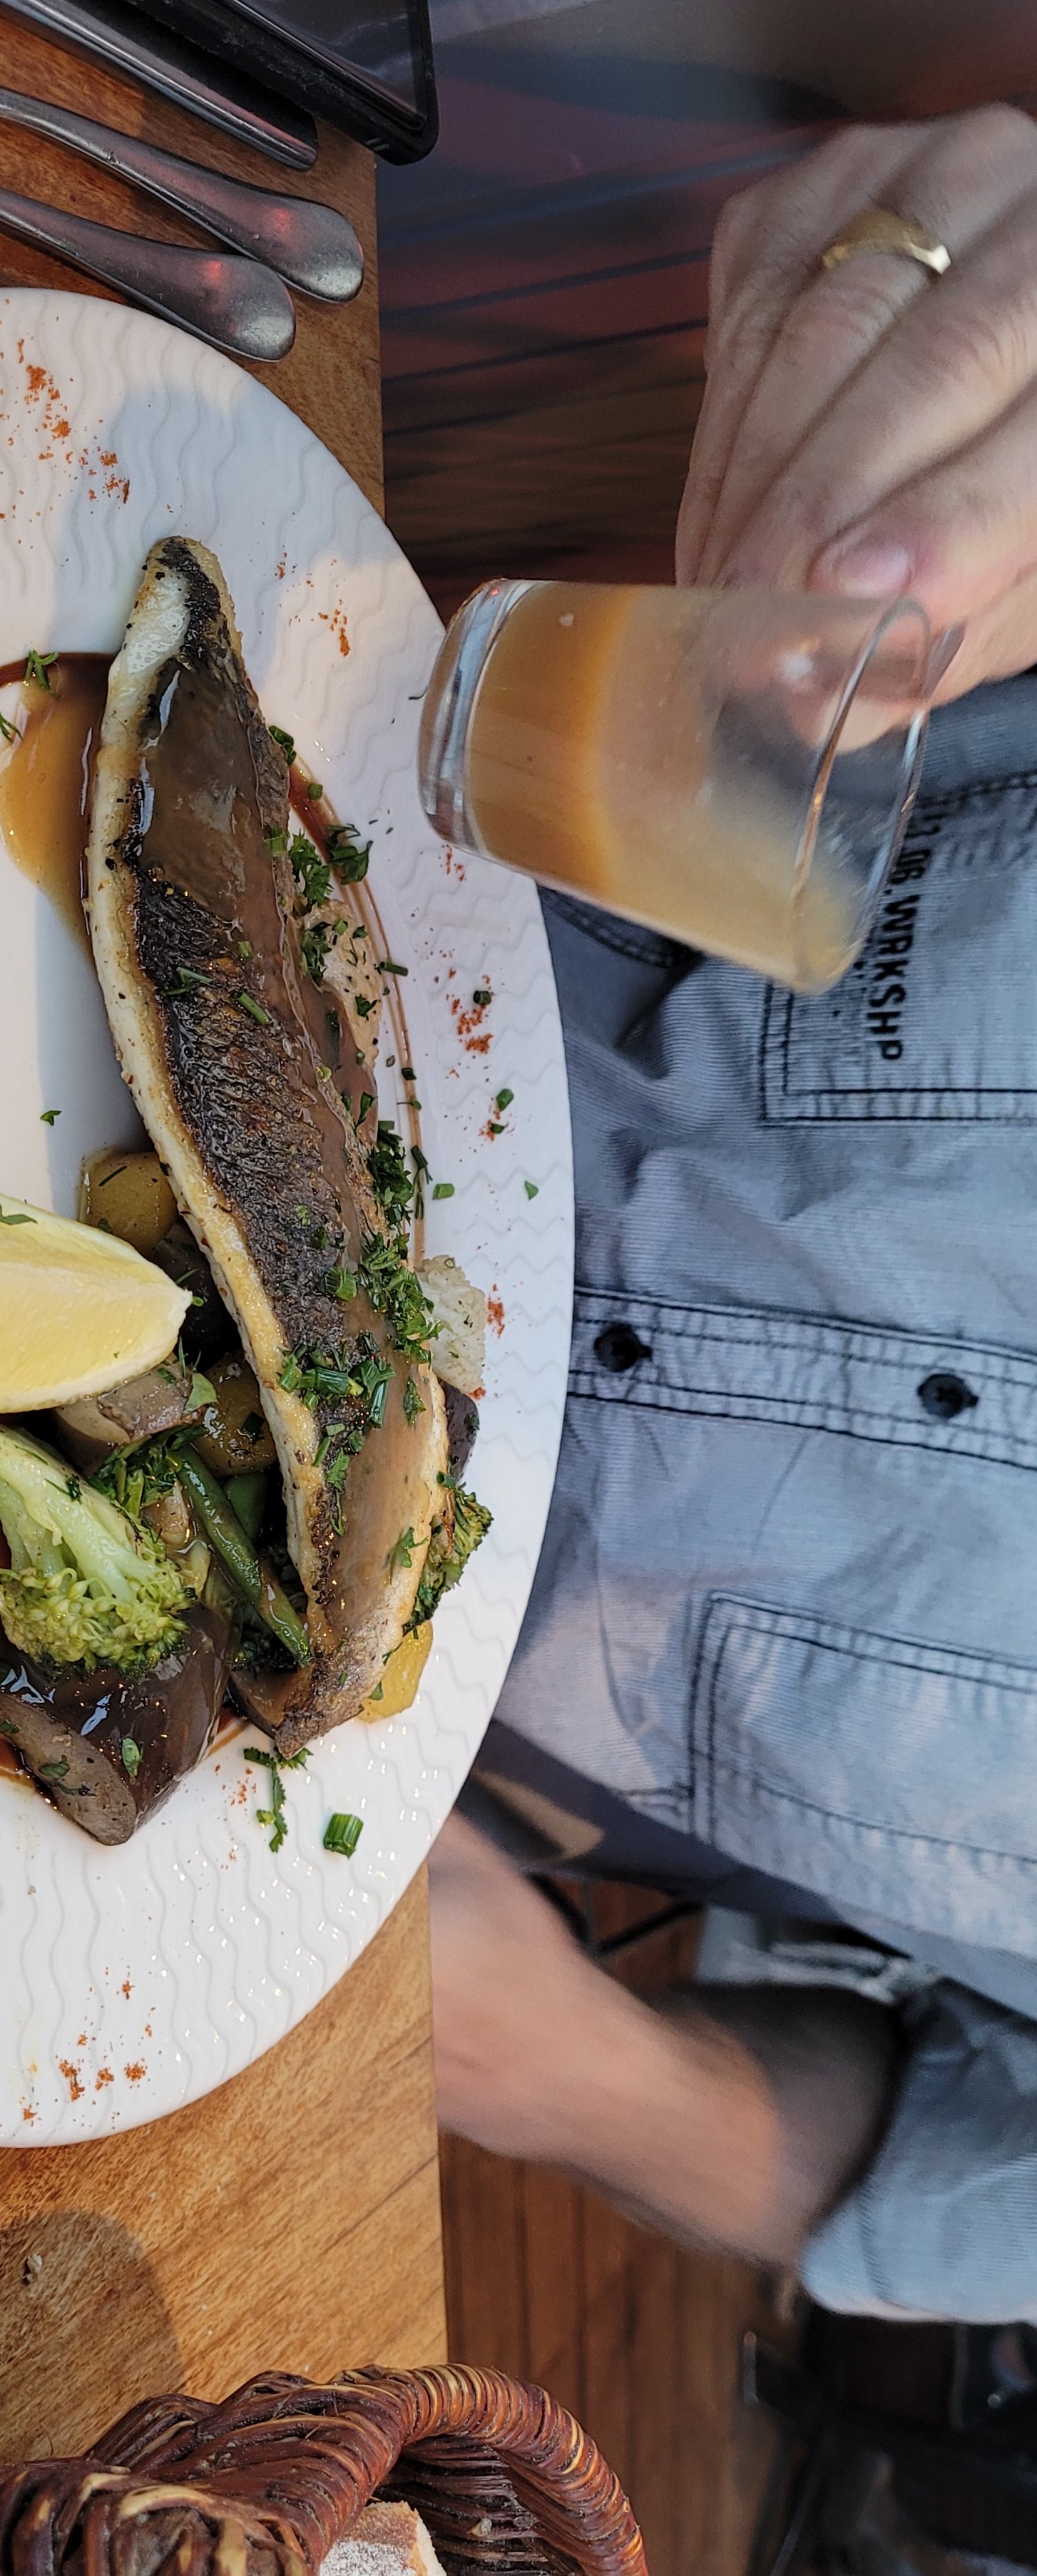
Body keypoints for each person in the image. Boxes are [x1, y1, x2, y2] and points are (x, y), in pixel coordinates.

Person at [430, 102, 1037, 2321]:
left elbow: (957, 2169)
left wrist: (585, 2071)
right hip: (326, 859)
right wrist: (935, 324)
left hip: (328, 1632)